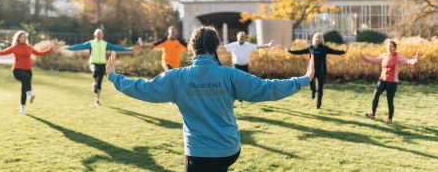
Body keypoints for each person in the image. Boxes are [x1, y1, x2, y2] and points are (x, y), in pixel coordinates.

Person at [106, 26, 315, 172]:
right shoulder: (229, 75)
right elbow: (267, 88)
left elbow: (143, 88)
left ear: (192, 48)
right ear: (215, 47)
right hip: (229, 150)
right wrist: (303, 80)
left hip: (199, 154)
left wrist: (114, 77)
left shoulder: (177, 77)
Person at [0, 30, 52, 115]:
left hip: (28, 70)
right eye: (23, 37)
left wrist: (49, 50)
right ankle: (30, 93)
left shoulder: (29, 47)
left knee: (24, 89)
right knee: (27, 80)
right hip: (17, 70)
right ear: (19, 38)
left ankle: (22, 107)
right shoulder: (14, 47)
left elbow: (38, 53)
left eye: (26, 37)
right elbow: (2, 53)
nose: (25, 38)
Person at [66, 29, 131, 106]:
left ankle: (96, 100)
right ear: (95, 35)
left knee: (99, 82)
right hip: (93, 62)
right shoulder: (91, 43)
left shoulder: (105, 44)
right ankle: (94, 82)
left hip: (102, 64)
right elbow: (80, 46)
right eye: (98, 34)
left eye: (100, 34)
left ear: (102, 35)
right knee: (95, 72)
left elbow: (115, 47)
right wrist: (68, 48)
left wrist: (127, 49)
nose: (99, 35)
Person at [362, 40, 418, 124]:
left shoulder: (397, 56)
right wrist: (365, 58)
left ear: (394, 48)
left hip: (392, 81)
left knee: (389, 100)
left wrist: (414, 61)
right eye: (388, 46)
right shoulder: (384, 55)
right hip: (383, 79)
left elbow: (407, 60)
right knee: (376, 94)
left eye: (391, 46)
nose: (389, 47)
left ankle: (389, 119)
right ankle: (372, 113)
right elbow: (375, 60)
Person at [288, 32, 347, 109]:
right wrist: (290, 51)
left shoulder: (324, 48)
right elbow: (300, 52)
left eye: (319, 38)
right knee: (311, 83)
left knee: (320, 88)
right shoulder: (311, 48)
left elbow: (334, 51)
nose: (317, 39)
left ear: (321, 39)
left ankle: (318, 104)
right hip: (312, 70)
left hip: (322, 71)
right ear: (314, 39)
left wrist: (343, 52)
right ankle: (313, 91)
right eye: (316, 37)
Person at [224, 31, 274, 103]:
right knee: (235, 82)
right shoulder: (233, 45)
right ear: (237, 37)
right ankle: (233, 97)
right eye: (240, 37)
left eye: (243, 37)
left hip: (244, 66)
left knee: (244, 82)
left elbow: (258, 46)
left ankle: (241, 98)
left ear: (244, 38)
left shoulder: (248, 45)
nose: (241, 38)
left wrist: (267, 45)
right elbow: (222, 47)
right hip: (236, 66)